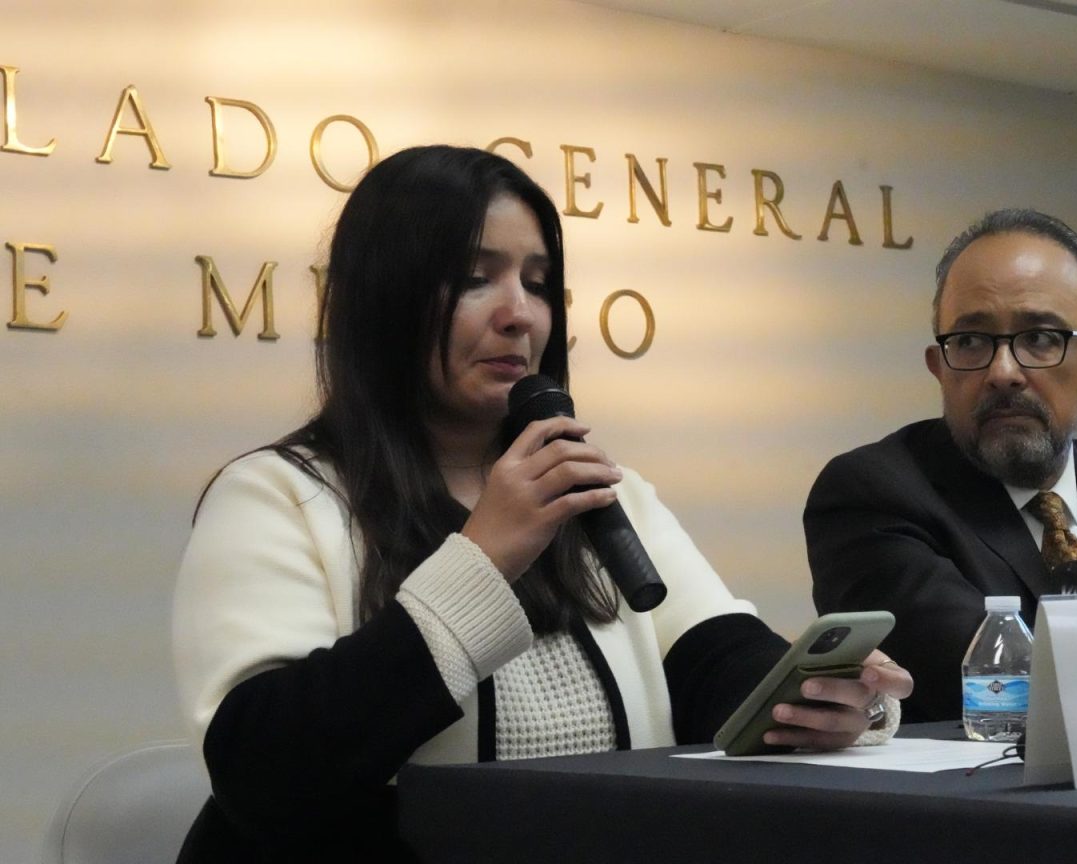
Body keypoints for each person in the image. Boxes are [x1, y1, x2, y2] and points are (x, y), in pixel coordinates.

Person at [171, 145, 911, 862]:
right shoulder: (276, 496)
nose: (518, 314)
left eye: (536, 281)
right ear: (385, 297)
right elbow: (264, 771)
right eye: (473, 279)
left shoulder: (601, 489)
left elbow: (713, 659)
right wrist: (485, 557)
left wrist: (812, 697)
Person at [803, 209, 1077, 722]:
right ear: (939, 369)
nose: (1004, 372)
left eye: (1040, 338)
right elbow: (994, 680)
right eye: (970, 342)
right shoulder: (875, 492)